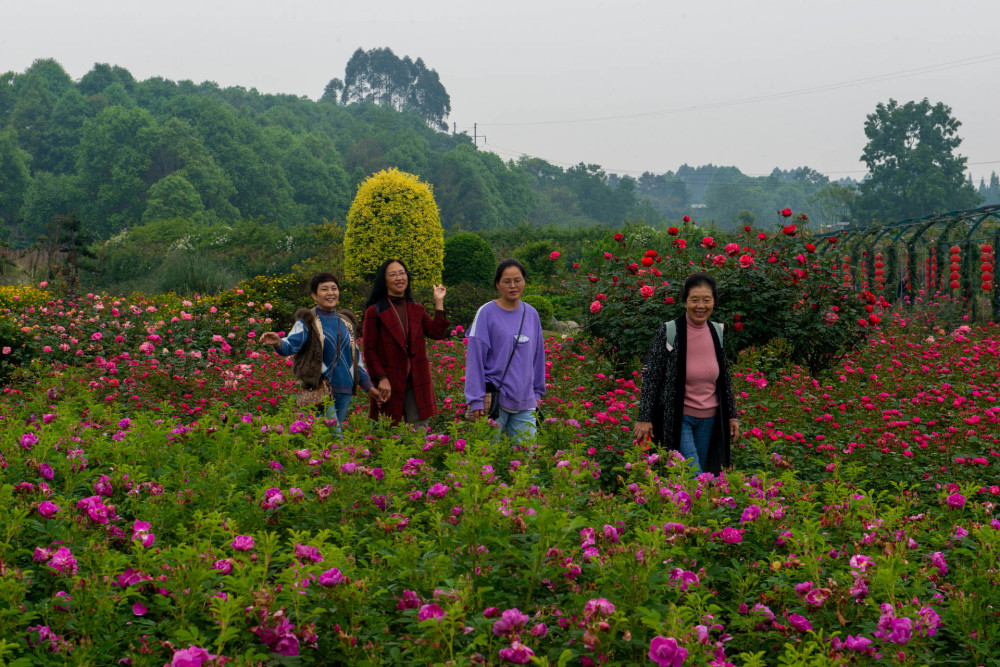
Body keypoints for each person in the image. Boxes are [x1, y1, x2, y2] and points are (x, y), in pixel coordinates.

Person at [633, 273, 739, 475]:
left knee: (697, 473)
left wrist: (732, 416)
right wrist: (644, 418)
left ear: (714, 301)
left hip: (710, 418)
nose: (701, 306)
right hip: (680, 418)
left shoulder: (717, 331)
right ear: (684, 302)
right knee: (693, 474)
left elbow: (725, 378)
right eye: (695, 300)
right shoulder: (669, 331)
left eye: (707, 300)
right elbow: (652, 377)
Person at [260, 273, 380, 427]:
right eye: (324, 289)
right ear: (314, 296)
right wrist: (277, 342)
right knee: (334, 437)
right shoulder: (308, 321)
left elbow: (355, 360)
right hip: (320, 390)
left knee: (329, 441)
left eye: (334, 289)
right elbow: (290, 345)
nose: (330, 293)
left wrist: (369, 387)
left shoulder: (346, 322)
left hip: (345, 390)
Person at [362, 259, 450, 430]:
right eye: (393, 274)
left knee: (419, 433)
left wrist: (438, 302)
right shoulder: (375, 311)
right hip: (389, 380)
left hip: (417, 380)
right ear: (384, 280)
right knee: (385, 432)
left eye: (402, 273)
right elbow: (369, 350)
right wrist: (381, 378)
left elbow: (436, 333)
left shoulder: (416, 308)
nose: (399, 278)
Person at [464, 259, 546, 442]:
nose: (513, 286)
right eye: (507, 281)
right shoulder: (486, 313)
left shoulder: (531, 314)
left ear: (524, 281)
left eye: (518, 280)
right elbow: (475, 359)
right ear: (497, 284)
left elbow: (538, 356)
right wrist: (475, 399)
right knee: (486, 459)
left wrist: (538, 393)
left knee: (526, 461)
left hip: (525, 402)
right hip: (494, 402)